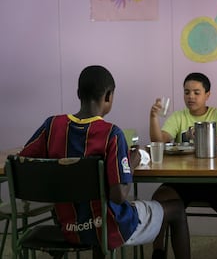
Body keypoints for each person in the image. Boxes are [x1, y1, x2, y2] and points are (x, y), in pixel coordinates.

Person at [18, 65, 190, 259]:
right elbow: (118, 196)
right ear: (109, 96)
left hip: (67, 225)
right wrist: (132, 161)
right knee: (176, 208)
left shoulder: (51, 126)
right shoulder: (112, 134)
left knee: (95, 205)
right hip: (110, 227)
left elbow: (24, 162)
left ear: (78, 94)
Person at [149, 72, 217, 259]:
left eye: (196, 92)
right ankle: (158, 252)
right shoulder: (179, 116)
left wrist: (206, 136)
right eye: (187, 92)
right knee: (159, 197)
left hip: (216, 182)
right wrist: (154, 117)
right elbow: (159, 141)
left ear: (207, 95)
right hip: (182, 182)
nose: (191, 97)